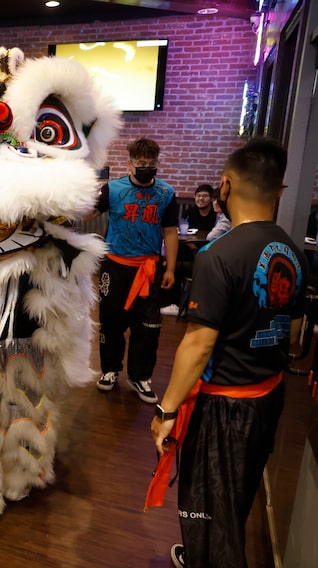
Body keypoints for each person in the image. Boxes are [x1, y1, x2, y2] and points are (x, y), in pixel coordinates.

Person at [148, 137, 306, 568]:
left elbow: (198, 346)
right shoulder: (293, 250)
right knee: (236, 492)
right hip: (269, 396)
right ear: (280, 191)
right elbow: (292, 336)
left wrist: (166, 411)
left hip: (226, 406)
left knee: (205, 503)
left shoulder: (218, 254)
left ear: (225, 186)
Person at [92, 137, 178, 404]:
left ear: (157, 164)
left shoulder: (166, 194)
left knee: (148, 327)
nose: (146, 167)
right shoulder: (113, 190)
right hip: (115, 267)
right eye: (141, 163)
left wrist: (171, 269)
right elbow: (86, 213)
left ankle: (140, 377)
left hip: (149, 269)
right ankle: (110, 370)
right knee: (111, 323)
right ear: (130, 165)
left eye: (151, 164)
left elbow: (171, 231)